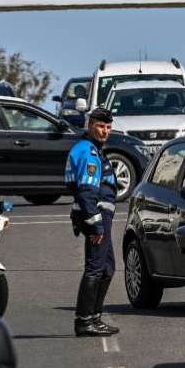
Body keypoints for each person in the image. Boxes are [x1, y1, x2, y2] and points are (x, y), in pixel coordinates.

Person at [66, 107, 120, 337]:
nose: (104, 131)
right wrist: (96, 224)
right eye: (100, 126)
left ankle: (94, 317)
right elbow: (86, 192)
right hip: (96, 215)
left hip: (99, 214)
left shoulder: (93, 149)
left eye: (108, 127)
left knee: (107, 268)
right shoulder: (89, 153)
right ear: (90, 125)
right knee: (96, 268)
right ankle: (84, 320)